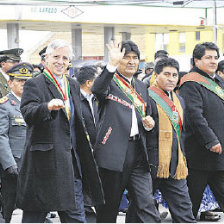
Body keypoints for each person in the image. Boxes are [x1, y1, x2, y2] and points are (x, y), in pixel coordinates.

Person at [16, 39, 104, 223]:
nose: (60, 61)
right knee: (35, 215)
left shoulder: (72, 84)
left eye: (65, 58)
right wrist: (47, 107)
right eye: (56, 56)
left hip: (71, 161)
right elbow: (28, 113)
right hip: (44, 162)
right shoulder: (35, 84)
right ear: (46, 58)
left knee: (75, 216)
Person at [92, 40, 161, 223]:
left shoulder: (141, 86)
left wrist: (149, 124)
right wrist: (111, 65)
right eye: (126, 58)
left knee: (146, 203)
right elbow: (97, 90)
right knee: (109, 207)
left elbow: (148, 116)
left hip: (138, 151)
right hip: (113, 152)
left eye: (135, 58)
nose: (131, 61)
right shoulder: (109, 82)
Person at [139, 57, 196, 222]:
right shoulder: (146, 97)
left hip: (175, 164)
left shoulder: (180, 101)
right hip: (149, 164)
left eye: (174, 75)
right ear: (156, 75)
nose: (171, 79)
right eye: (167, 74)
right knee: (139, 211)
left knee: (185, 213)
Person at [179, 42, 224, 219]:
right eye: (208, 57)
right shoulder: (190, 83)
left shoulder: (218, 81)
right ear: (197, 60)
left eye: (215, 57)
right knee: (191, 203)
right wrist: (210, 140)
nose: (213, 61)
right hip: (200, 154)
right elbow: (194, 116)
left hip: (219, 155)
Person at [0, 63, 32, 223]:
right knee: (8, 207)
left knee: (35, 208)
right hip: (14, 166)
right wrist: (9, 164)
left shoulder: (34, 103)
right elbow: (1, 136)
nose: (23, 84)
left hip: (34, 164)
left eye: (26, 81)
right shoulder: (5, 105)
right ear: (10, 83)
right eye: (19, 80)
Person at [76, 65, 98, 222]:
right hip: (82, 152)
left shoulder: (98, 99)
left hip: (99, 151)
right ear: (89, 82)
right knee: (84, 191)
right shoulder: (74, 98)